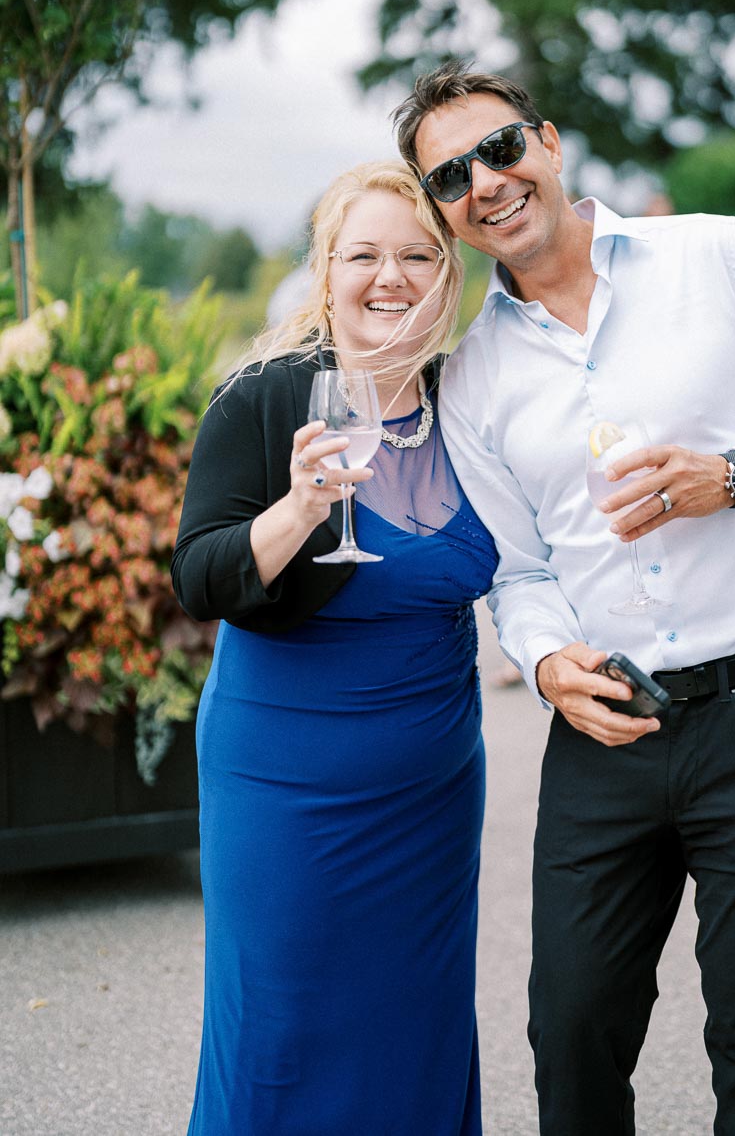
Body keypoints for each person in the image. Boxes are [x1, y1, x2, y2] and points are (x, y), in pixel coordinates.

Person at [391, 62, 735, 1136]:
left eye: (499, 149)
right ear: (442, 211)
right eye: (450, 176)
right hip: (607, 734)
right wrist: (543, 662)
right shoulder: (474, 371)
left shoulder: (716, 253)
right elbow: (522, 574)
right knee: (570, 1037)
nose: (485, 182)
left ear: (550, 141)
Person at [171, 160, 497, 1136]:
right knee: (281, 1031)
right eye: (363, 254)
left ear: (449, 273)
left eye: (417, 254)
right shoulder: (265, 398)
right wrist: (302, 506)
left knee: (414, 1026)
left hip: (431, 794)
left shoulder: (472, 405)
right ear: (326, 273)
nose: (389, 276)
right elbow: (200, 576)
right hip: (285, 786)